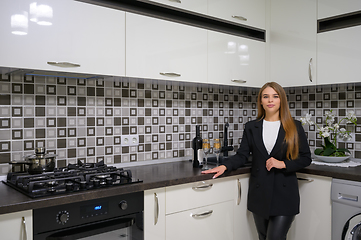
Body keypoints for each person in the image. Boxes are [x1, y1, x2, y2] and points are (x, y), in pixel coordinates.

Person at [202, 82, 312, 240]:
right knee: (262, 237)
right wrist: (224, 166)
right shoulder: (251, 127)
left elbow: (305, 158)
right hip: (259, 194)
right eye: (265, 96)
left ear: (281, 100)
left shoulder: (294, 126)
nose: (270, 100)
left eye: (275, 96)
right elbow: (242, 155)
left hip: (285, 194)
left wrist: (283, 164)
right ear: (260, 101)